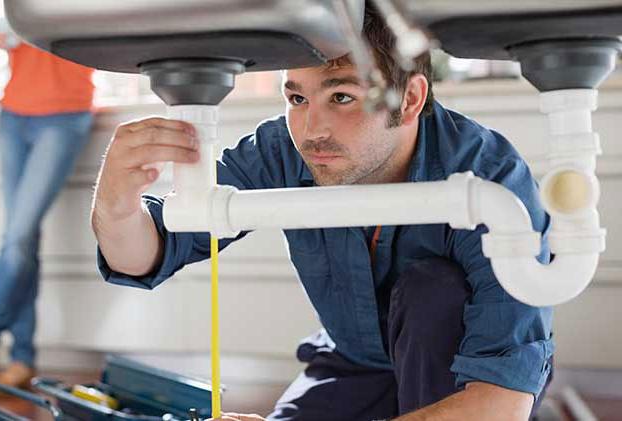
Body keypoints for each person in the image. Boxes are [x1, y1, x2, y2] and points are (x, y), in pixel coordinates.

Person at [91, 5, 553, 421]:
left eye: (342, 97)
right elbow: (145, 253)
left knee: (432, 289)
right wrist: (115, 204)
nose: (311, 130)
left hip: (463, 374)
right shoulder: (282, 150)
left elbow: (502, 401)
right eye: (297, 99)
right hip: (353, 365)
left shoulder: (490, 179)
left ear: (410, 99)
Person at [0, 24, 95, 392]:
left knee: (17, 236)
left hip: (64, 114)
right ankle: (22, 357)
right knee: (23, 240)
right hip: (13, 114)